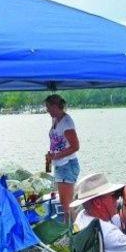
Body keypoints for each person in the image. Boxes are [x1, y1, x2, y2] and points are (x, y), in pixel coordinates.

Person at [44, 94, 80, 222]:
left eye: (48, 107)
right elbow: (57, 141)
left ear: (55, 106)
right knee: (64, 203)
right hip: (60, 165)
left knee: (67, 205)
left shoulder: (66, 122)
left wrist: (56, 155)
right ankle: (69, 230)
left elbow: (75, 146)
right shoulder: (55, 119)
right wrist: (51, 156)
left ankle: (72, 232)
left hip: (67, 165)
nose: (47, 110)